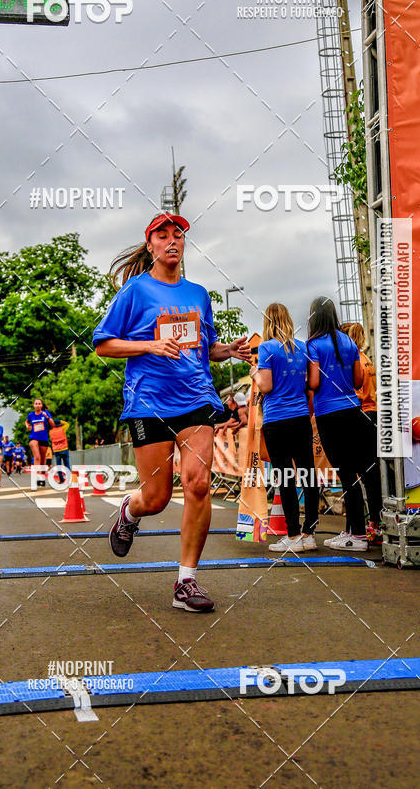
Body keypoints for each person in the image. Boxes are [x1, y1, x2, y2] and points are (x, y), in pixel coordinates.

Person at [93, 212, 251, 613]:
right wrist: (149, 345)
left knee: (198, 484)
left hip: (196, 400)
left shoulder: (198, 294)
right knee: (157, 497)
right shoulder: (135, 291)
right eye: (162, 235)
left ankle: (186, 581)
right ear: (151, 246)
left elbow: (205, 349)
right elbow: (104, 344)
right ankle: (130, 512)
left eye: (177, 234)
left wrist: (229, 351)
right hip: (148, 403)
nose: (171, 240)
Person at [251, 302, 317, 554]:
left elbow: (266, 386)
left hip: (277, 419)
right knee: (308, 474)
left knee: (286, 477)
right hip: (301, 417)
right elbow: (309, 383)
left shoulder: (267, 347)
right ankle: (309, 533)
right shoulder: (302, 347)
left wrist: (255, 373)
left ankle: (293, 535)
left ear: (268, 322)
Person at [307, 297, 368, 551]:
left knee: (346, 474)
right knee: (352, 473)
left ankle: (358, 535)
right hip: (353, 410)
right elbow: (358, 380)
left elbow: (314, 383)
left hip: (329, 414)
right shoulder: (349, 341)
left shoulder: (313, 344)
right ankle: (354, 530)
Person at [340, 321, 383, 542]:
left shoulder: (353, 360)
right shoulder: (365, 358)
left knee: (358, 474)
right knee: (371, 474)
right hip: (372, 415)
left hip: (360, 414)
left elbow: (354, 392)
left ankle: (367, 525)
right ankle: (376, 522)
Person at [25, 399, 54, 489]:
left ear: (41, 405)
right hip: (33, 437)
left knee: (42, 460)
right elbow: (26, 421)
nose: (37, 405)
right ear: (34, 405)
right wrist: (27, 425)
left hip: (43, 438)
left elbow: (53, 424)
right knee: (37, 457)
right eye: (36, 404)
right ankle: (37, 477)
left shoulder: (45, 413)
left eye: (39, 404)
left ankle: (42, 479)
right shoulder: (31, 415)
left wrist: (47, 417)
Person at [49, 418, 71, 483]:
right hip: (64, 449)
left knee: (59, 466)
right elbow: (67, 424)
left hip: (56, 451)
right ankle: (69, 479)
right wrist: (60, 421)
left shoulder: (51, 432)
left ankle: (61, 480)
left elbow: (51, 439)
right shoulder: (63, 429)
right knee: (67, 465)